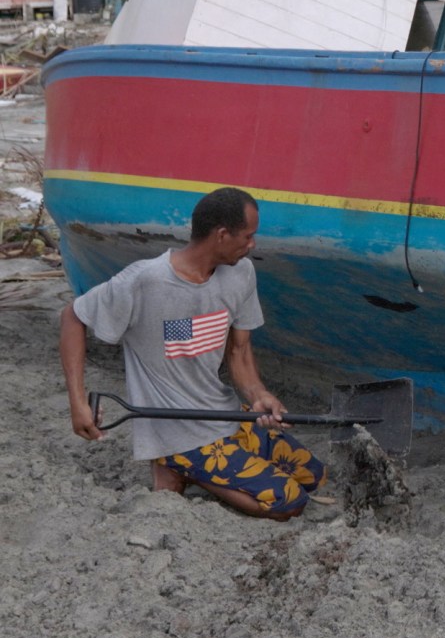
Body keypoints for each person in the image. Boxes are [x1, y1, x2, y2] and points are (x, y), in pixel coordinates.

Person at [62, 186, 325, 520]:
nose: (252, 245)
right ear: (222, 234)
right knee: (289, 502)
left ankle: (192, 469)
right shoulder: (144, 281)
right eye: (248, 236)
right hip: (177, 429)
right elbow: (73, 316)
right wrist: (77, 403)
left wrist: (259, 394)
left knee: (313, 476)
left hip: (223, 413)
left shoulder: (241, 273)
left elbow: (240, 352)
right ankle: (178, 464)